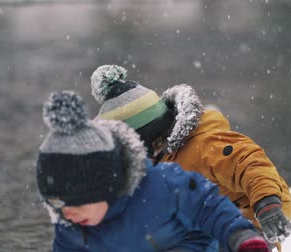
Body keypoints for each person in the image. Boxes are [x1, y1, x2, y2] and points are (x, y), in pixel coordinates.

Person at [36, 90, 271, 252]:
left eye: (77, 203)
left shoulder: (162, 186)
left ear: (106, 186)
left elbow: (208, 206)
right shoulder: (70, 226)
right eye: (58, 204)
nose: (68, 214)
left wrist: (242, 237)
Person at [90, 65, 291, 250]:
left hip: (244, 226)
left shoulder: (204, 144)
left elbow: (250, 163)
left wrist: (267, 203)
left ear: (153, 135)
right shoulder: (152, 164)